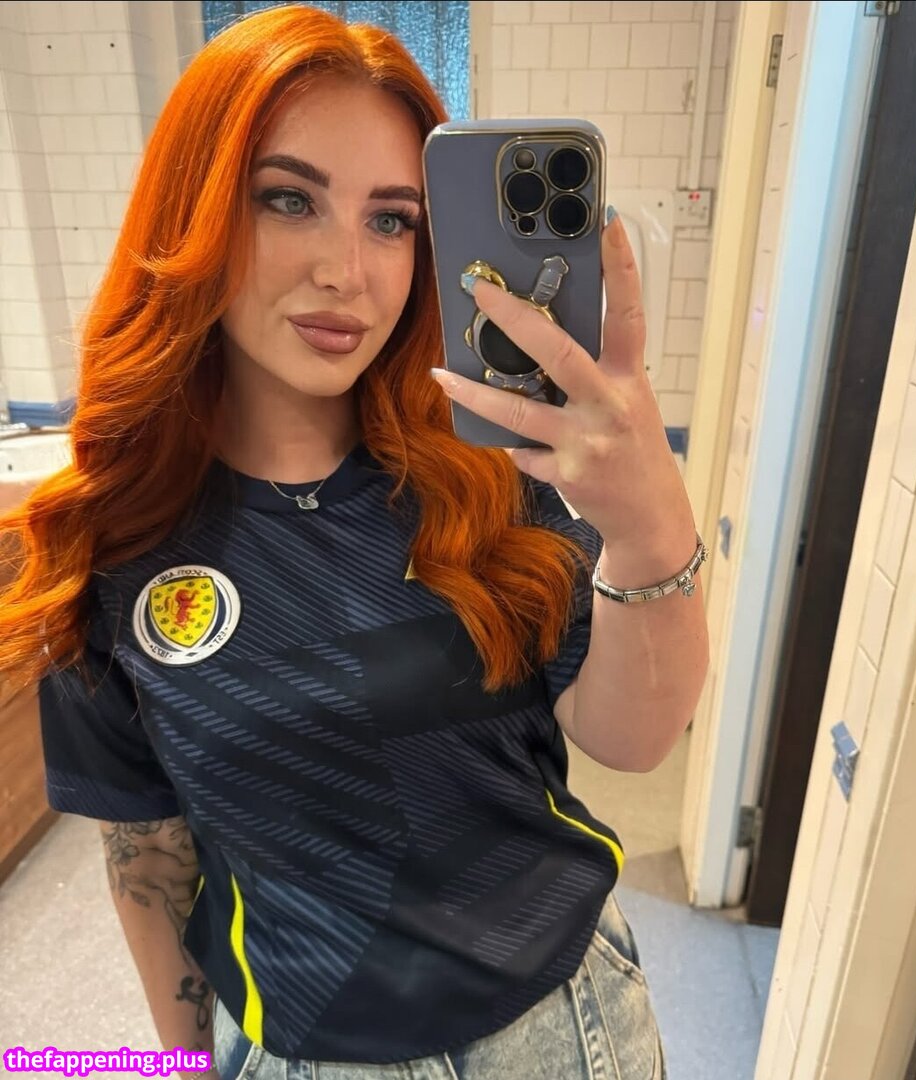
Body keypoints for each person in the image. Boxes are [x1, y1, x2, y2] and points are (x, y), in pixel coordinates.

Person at [0, 6, 708, 1079]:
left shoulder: (486, 478)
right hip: (304, 1048)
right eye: (289, 199)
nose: (349, 271)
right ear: (196, 211)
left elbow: (631, 740)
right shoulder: (116, 540)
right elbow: (148, 859)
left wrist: (648, 525)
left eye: (391, 220)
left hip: (569, 1030)